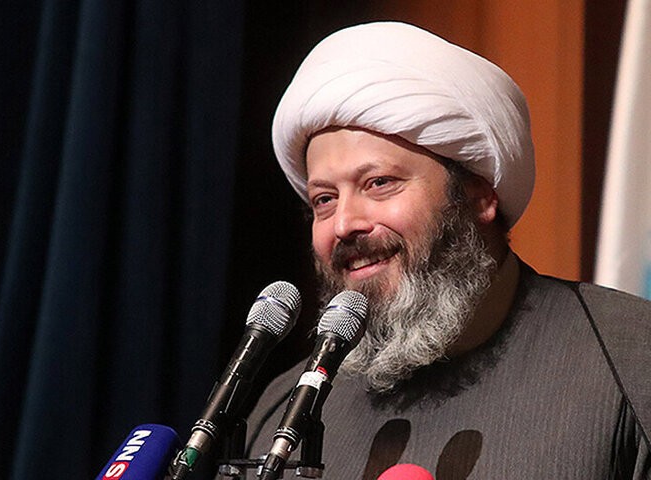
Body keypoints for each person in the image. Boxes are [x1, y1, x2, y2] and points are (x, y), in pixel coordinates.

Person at [234, 22, 651, 479]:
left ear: (479, 195)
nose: (344, 224)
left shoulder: (633, 357)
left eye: (379, 183)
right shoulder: (285, 410)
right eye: (324, 199)